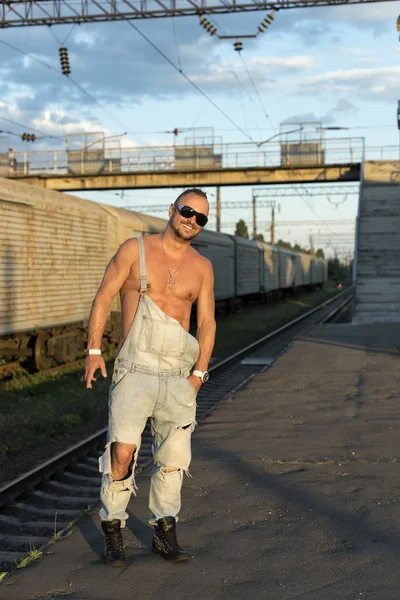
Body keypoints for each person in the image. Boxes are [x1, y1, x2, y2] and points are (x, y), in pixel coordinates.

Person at [84, 188, 216, 567]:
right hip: (135, 371)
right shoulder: (134, 249)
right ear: (172, 209)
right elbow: (104, 295)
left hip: (178, 376)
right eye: (188, 211)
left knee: (173, 459)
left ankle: (164, 533)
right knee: (121, 452)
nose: (192, 219)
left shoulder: (202, 267)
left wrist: (198, 374)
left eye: (201, 218)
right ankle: (113, 529)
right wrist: (94, 350)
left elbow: (206, 322)